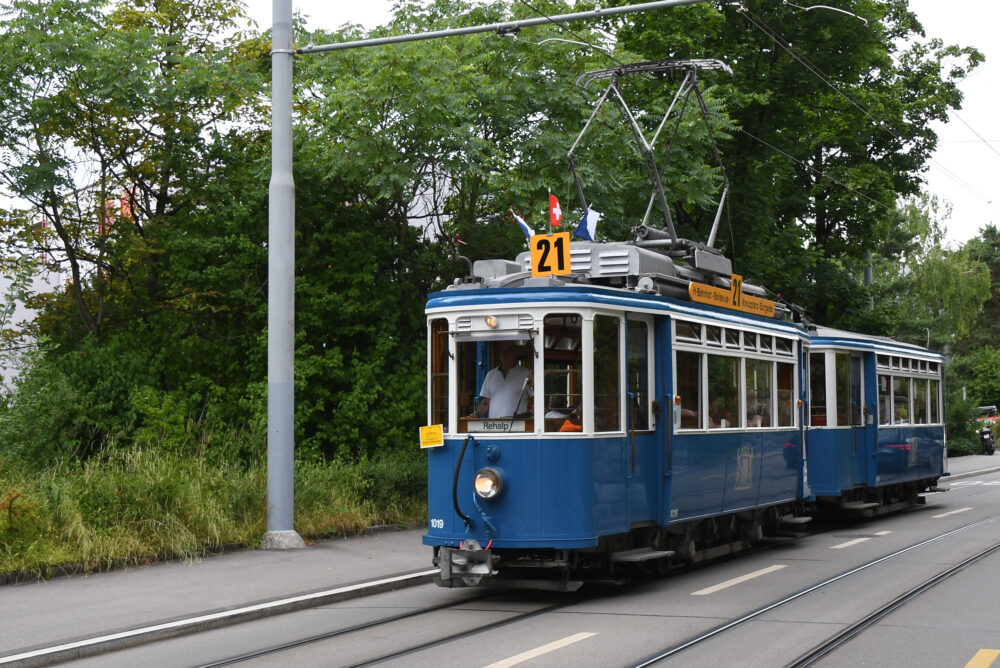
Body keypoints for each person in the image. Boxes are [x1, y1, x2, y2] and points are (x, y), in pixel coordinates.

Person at [474, 341, 532, 418]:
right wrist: (475, 415)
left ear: (514, 352)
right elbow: (486, 402)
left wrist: (531, 415)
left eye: (508, 351)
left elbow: (536, 399)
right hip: (494, 427)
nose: (504, 354)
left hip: (518, 427)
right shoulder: (490, 375)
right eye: (501, 351)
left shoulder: (526, 373)